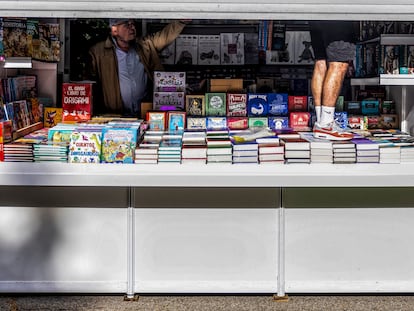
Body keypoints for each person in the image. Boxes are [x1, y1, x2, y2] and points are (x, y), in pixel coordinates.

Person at [88, 19, 188, 117]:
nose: (132, 27)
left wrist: (181, 21)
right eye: (127, 24)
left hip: (145, 113)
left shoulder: (144, 45)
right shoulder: (99, 52)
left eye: (133, 24)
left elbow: (164, 37)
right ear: (114, 31)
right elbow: (90, 84)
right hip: (115, 115)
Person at [309, 20, 358, 140]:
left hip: (317, 13)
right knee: (339, 64)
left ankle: (321, 121)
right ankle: (326, 124)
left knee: (321, 62)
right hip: (337, 16)